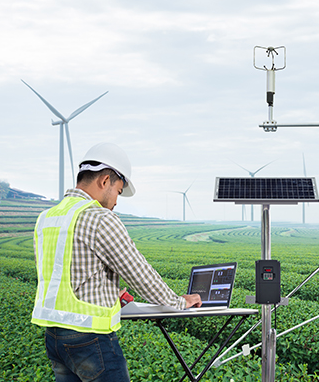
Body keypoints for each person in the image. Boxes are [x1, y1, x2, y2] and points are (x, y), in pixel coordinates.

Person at [31, 142, 202, 382]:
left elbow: (63, 273)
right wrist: (179, 302)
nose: (116, 202)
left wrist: (106, 291)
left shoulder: (47, 218)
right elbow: (139, 274)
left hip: (55, 338)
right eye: (118, 191)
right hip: (90, 339)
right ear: (104, 181)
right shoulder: (99, 218)